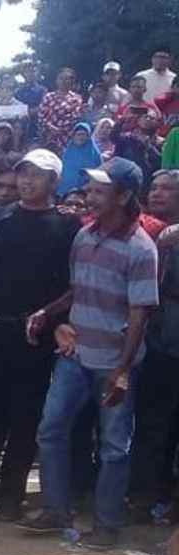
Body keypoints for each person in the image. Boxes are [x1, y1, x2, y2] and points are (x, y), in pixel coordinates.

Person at [19, 157, 158, 550]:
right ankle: (55, 510)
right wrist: (48, 312)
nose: (90, 196)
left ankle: (107, 524)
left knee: (115, 446)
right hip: (76, 355)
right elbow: (78, 289)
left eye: (100, 190)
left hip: (115, 362)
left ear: (125, 195)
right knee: (50, 430)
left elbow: (140, 312)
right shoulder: (84, 236)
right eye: (91, 189)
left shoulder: (141, 249)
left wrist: (123, 369)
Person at [0, 149, 80, 517]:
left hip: (35, 336)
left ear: (54, 182)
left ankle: (11, 495)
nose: (27, 181)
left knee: (24, 417)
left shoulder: (68, 228)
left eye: (37, 175)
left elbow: (75, 285)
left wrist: (52, 318)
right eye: (23, 173)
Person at [130, 170, 179, 518]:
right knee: (151, 420)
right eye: (155, 188)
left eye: (168, 189)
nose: (158, 194)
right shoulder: (142, 230)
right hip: (153, 340)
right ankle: (145, 495)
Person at [37, 68, 85, 153]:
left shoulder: (76, 99)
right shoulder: (48, 97)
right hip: (48, 135)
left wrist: (59, 130)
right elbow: (41, 116)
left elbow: (75, 118)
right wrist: (51, 127)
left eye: (67, 79)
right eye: (61, 78)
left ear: (72, 81)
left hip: (67, 136)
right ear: (57, 80)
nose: (64, 81)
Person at [58, 122, 102, 197]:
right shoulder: (68, 152)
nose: (81, 137)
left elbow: (99, 173)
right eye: (78, 134)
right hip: (64, 192)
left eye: (84, 134)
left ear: (88, 137)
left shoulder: (94, 153)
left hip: (85, 192)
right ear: (73, 136)